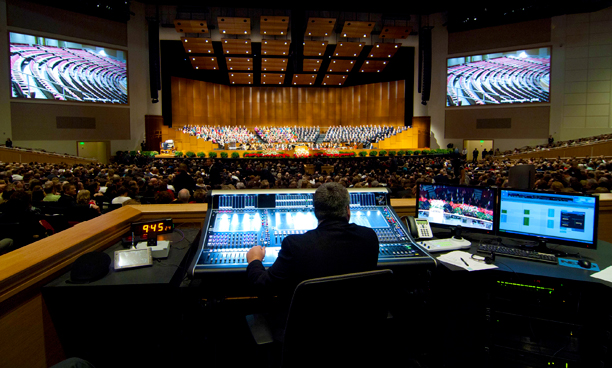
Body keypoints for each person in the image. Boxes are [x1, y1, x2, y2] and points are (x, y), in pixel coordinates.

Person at [246, 182, 379, 299]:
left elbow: (262, 287)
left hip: (307, 326)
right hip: (360, 324)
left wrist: (254, 260)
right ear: (347, 210)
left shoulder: (295, 245)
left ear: (316, 212)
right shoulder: (369, 237)